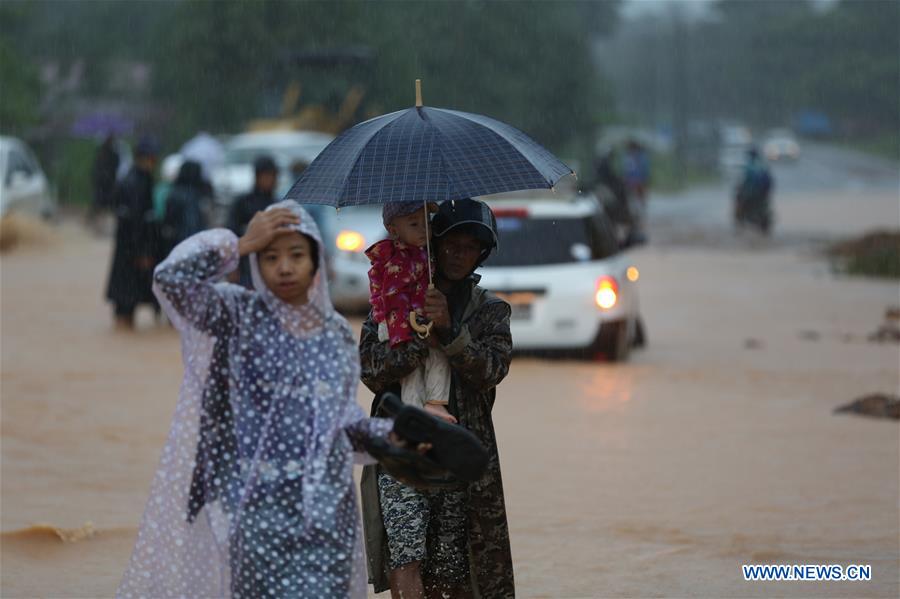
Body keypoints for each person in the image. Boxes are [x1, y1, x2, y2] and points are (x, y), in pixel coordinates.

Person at [118, 201, 403, 598]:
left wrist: (396, 437)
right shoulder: (237, 315)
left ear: (316, 261)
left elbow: (342, 427)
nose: (284, 267)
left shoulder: (335, 334)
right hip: (255, 519)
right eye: (270, 257)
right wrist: (238, 244)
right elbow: (171, 281)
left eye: (296, 255)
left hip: (327, 521)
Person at [360, 198, 515, 598]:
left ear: (482, 254)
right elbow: (371, 371)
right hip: (401, 446)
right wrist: (413, 334)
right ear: (434, 243)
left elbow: (489, 372)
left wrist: (449, 330)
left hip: (459, 451)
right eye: (450, 244)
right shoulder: (392, 292)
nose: (459, 255)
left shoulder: (490, 311)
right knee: (405, 555)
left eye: (470, 248)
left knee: (452, 565)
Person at [366, 201, 454, 424]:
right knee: (411, 372)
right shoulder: (397, 261)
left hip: (417, 322)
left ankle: (435, 403)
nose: (424, 229)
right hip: (400, 324)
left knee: (438, 355)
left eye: (427, 222)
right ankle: (413, 412)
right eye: (414, 224)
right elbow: (393, 298)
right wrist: (404, 333)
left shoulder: (423, 254)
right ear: (393, 230)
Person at [105, 135, 161, 330]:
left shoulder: (136, 178)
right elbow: (137, 221)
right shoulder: (135, 182)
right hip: (132, 251)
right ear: (142, 158)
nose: (154, 163)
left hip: (128, 249)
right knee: (126, 303)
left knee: (127, 300)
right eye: (152, 158)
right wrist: (143, 252)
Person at [226, 155, 279, 287]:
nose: (269, 180)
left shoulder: (277, 204)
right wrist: (232, 266)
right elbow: (232, 234)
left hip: (271, 262)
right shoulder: (243, 203)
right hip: (246, 263)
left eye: (271, 176)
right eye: (265, 176)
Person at [159, 160, 212, 258]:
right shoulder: (196, 194)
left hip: (178, 245)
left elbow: (168, 221)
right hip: (194, 243)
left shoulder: (175, 193)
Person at [734, 147, 773, 234]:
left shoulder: (749, 166)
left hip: (751, 194)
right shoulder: (763, 166)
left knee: (739, 203)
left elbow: (745, 182)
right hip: (763, 195)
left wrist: (741, 189)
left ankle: (740, 222)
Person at [88, 134, 120, 225]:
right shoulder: (102, 152)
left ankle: (100, 221)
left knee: (106, 202)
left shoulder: (113, 154)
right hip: (102, 182)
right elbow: (97, 167)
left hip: (107, 183)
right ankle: (94, 220)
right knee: (99, 202)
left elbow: (114, 167)